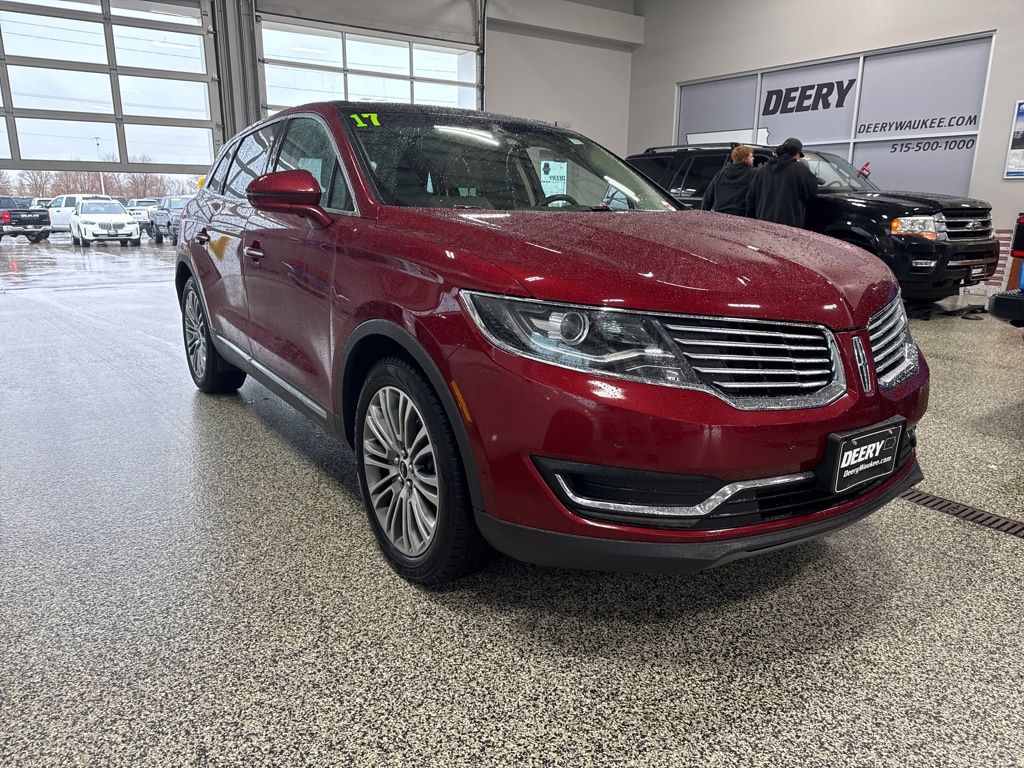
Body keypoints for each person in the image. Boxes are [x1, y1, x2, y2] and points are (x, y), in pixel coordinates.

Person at [745, 137, 818, 228]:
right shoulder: (800, 169)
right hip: (789, 228)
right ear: (797, 154)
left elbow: (750, 198)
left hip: (763, 226)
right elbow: (811, 193)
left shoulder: (762, 171)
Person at [701, 145, 755, 215]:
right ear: (744, 159)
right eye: (751, 156)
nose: (753, 158)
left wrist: (703, 215)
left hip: (719, 216)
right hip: (741, 218)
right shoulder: (754, 174)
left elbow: (708, 197)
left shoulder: (721, 173)